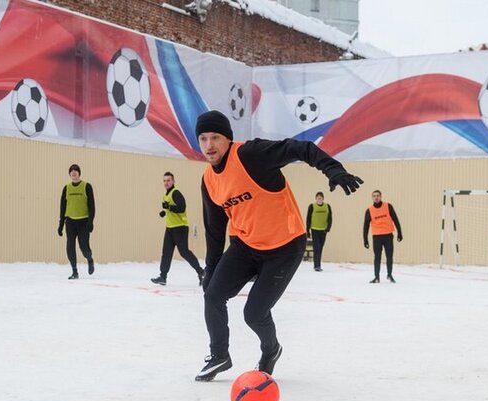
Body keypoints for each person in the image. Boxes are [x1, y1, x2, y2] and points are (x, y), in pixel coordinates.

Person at [194, 110, 363, 381]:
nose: (209, 145)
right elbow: (214, 230)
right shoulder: (209, 180)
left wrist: (333, 169)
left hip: (284, 247)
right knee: (213, 295)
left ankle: (270, 350)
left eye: (215, 137)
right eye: (203, 139)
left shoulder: (251, 155)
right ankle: (219, 356)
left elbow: (301, 148)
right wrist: (211, 269)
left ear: (228, 139)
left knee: (254, 313)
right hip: (245, 245)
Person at [151, 172, 205, 286]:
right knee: (166, 253)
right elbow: (171, 209)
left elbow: (181, 208)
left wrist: (169, 207)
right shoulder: (166, 195)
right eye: (164, 181)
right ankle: (163, 277)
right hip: (170, 228)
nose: (166, 183)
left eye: (168, 180)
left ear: (173, 181)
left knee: (184, 252)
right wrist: (164, 212)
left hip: (180, 228)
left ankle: (201, 272)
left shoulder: (176, 193)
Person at [57, 163, 95, 279]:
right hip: (70, 222)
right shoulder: (66, 188)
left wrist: (90, 222)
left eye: (76, 170)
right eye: (71, 171)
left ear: (79, 173)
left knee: (84, 248)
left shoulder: (86, 186)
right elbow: (63, 207)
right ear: (69, 174)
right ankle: (74, 271)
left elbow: (92, 206)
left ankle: (89, 259)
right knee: (70, 246)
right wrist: (61, 224)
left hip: (83, 221)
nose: (73, 172)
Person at [363, 190, 402, 283]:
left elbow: (395, 219)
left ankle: (389, 274)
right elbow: (365, 226)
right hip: (376, 237)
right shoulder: (369, 210)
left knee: (389, 256)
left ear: (381, 197)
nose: (376, 197)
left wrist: (400, 232)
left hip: (388, 235)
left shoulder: (388, 206)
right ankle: (376, 277)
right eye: (374, 196)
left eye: (378, 196)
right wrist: (365, 239)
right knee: (377, 257)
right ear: (372, 198)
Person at [306, 191, 332, 272]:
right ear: (316, 199)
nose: (319, 199)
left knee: (320, 248)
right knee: (316, 247)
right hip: (314, 230)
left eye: (320, 198)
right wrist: (307, 229)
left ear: (323, 199)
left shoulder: (327, 206)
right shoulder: (312, 206)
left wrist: (328, 228)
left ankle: (317, 264)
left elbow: (330, 218)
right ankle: (317, 265)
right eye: (318, 198)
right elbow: (308, 218)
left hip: (323, 230)